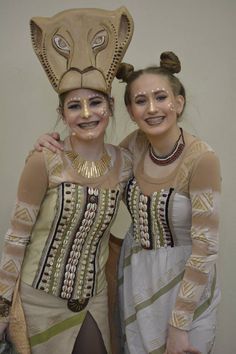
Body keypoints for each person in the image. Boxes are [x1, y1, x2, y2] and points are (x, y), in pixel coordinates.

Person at [34, 51, 221, 354]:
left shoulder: (202, 159)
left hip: (186, 285)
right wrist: (51, 145)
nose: (152, 108)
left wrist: (179, 325)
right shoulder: (132, 147)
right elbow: (87, 168)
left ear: (179, 102)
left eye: (160, 97)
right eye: (140, 101)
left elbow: (205, 249)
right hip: (136, 278)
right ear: (130, 110)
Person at [0, 7, 134, 354]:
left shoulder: (125, 163)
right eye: (74, 106)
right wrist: (2, 309)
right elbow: (16, 239)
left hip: (94, 298)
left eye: (95, 103)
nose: (86, 114)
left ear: (111, 107)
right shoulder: (44, 159)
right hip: (37, 300)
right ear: (62, 114)